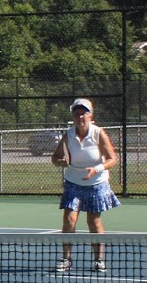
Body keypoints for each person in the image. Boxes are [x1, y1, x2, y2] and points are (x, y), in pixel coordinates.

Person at [51, 98, 119, 273]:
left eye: (84, 113)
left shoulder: (98, 133)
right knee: (69, 219)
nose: (80, 116)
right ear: (73, 116)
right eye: (77, 113)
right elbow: (55, 158)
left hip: (96, 183)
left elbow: (112, 159)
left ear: (90, 115)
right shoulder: (68, 134)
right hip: (73, 182)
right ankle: (65, 259)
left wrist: (96, 168)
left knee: (93, 221)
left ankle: (99, 260)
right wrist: (61, 162)